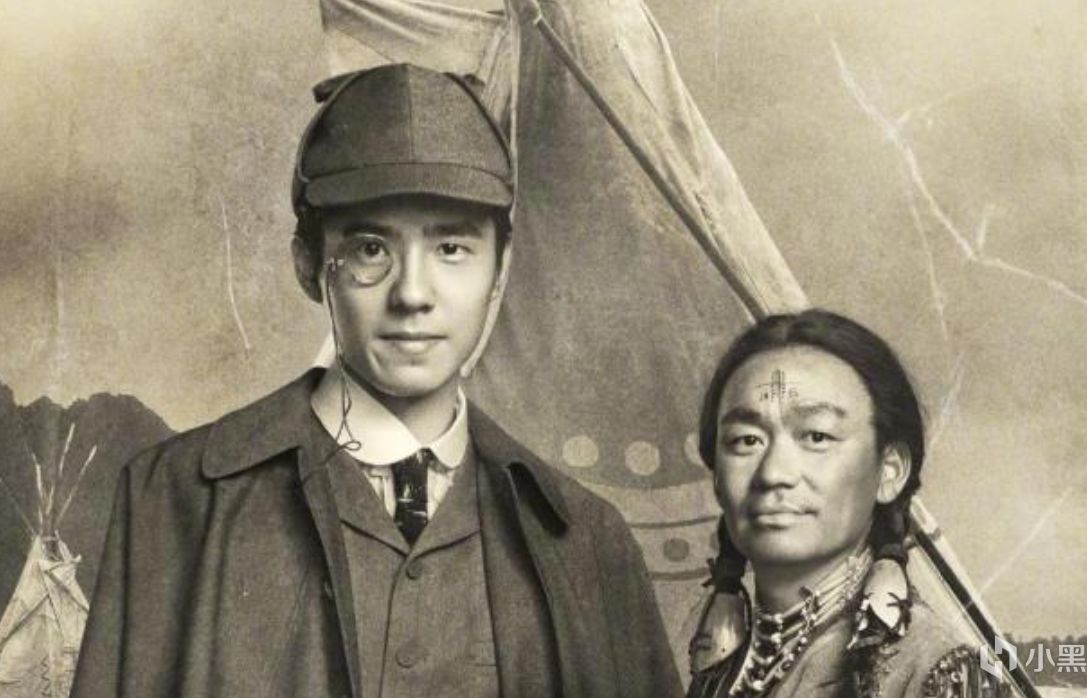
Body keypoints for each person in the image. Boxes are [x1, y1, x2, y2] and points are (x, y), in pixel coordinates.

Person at [72, 63, 681, 698]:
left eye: (451, 249)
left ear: (499, 273)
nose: (413, 294)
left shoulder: (589, 542)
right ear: (309, 265)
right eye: (371, 249)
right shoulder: (172, 500)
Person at [686, 310, 1008, 698]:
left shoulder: (940, 674)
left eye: (816, 437)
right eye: (747, 440)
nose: (773, 473)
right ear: (716, 475)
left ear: (890, 471)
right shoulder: (725, 666)